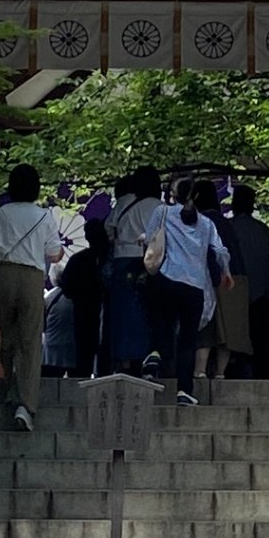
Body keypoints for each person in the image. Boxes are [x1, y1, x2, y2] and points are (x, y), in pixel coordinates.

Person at [0, 164, 62, 429]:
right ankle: (25, 406)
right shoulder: (44, 216)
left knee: (8, 335)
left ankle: (10, 388)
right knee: (30, 341)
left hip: (4, 276)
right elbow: (54, 253)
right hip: (31, 277)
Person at [149, 184, 225, 403]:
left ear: (173, 195)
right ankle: (184, 391)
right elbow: (219, 251)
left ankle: (155, 355)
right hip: (194, 287)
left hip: (167, 279)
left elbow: (150, 239)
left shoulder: (162, 212)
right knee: (187, 340)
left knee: (163, 324)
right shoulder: (207, 224)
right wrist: (226, 272)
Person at [105, 167, 166, 374]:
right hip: (151, 262)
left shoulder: (124, 202)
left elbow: (109, 230)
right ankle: (148, 360)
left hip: (122, 262)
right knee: (149, 313)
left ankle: (122, 362)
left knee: (122, 314)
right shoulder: (160, 207)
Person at [218, 183, 269, 378]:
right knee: (257, 340)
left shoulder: (227, 228)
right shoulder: (263, 231)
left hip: (232, 292)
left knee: (232, 338)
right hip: (260, 295)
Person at [56, 196, 110, 380]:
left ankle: (83, 380)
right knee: (106, 349)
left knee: (84, 352)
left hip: (83, 309)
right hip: (106, 307)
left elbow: (67, 288)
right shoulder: (112, 258)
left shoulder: (78, 260)